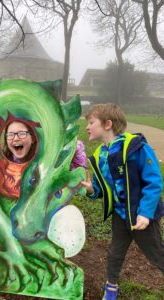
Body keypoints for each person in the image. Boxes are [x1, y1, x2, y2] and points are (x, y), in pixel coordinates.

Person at [81, 103, 164, 300]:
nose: (87, 127)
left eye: (91, 122)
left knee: (156, 254)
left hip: (142, 217)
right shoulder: (101, 155)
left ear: (108, 124)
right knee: (115, 253)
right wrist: (93, 190)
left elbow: (154, 182)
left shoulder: (136, 148)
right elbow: (106, 190)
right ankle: (111, 287)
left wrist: (145, 212)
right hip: (120, 215)